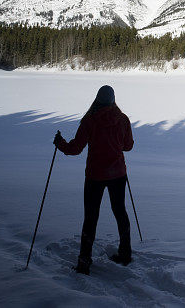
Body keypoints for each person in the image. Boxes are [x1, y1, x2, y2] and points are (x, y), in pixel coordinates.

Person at [54, 85, 134, 275]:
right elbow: (128, 146)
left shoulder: (90, 121)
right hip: (117, 174)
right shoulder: (122, 119)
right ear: (113, 99)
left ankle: (84, 262)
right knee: (120, 212)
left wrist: (60, 144)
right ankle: (125, 254)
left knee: (90, 218)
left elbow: (75, 149)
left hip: (95, 176)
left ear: (97, 99)